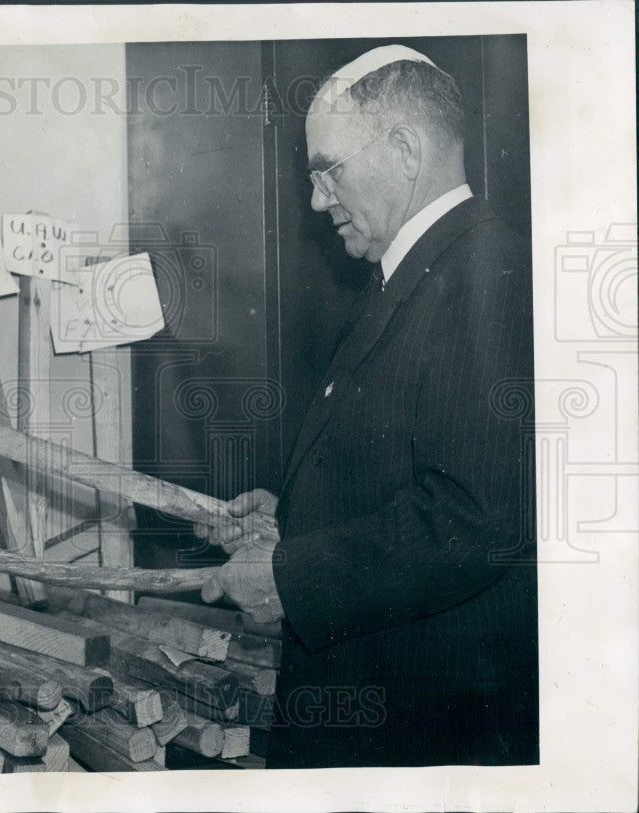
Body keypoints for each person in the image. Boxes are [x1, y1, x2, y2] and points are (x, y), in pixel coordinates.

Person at [197, 45, 538, 767]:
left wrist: (291, 575)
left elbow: (472, 518)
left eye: (328, 169)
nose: (318, 200)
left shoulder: (490, 274)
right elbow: (401, 471)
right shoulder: (411, 270)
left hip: (419, 730)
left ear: (406, 150)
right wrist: (293, 520)